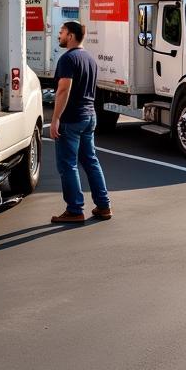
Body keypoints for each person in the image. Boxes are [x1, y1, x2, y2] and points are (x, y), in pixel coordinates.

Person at [50, 20, 113, 224]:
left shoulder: (68, 59)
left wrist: (55, 119)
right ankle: (103, 206)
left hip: (71, 119)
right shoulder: (89, 59)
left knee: (68, 165)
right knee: (90, 161)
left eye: (61, 32)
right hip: (89, 117)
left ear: (70, 36)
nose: (59, 35)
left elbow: (63, 90)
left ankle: (75, 209)